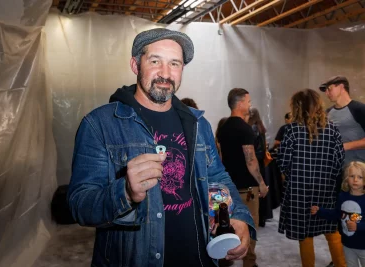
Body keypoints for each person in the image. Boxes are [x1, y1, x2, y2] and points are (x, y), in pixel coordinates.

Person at [67, 28, 255, 267]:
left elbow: (218, 177)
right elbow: (79, 204)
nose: (165, 74)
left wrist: (237, 214)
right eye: (155, 61)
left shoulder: (198, 124)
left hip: (201, 258)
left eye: (174, 64)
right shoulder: (100, 125)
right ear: (135, 65)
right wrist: (124, 191)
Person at [277, 89, 346, 267]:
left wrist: (294, 175)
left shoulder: (292, 130)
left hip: (300, 191)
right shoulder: (332, 129)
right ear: (318, 106)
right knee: (332, 231)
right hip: (326, 189)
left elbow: (283, 161)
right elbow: (339, 161)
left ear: (297, 107)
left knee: (305, 235)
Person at [218, 88, 269, 267]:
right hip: (247, 189)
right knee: (251, 225)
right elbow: (251, 160)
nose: (250, 105)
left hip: (227, 187)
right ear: (240, 104)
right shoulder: (245, 129)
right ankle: (249, 263)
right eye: (248, 101)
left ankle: (225, 260)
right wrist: (262, 183)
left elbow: (222, 158)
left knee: (226, 225)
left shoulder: (223, 127)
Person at [311, 161, 365, 267]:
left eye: (360, 177)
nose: (355, 180)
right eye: (352, 176)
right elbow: (337, 214)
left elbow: (361, 218)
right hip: (347, 244)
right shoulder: (342, 196)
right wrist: (320, 211)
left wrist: (358, 226)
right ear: (346, 178)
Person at [319, 76, 365, 165]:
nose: (327, 93)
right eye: (325, 91)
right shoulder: (327, 113)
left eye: (329, 89)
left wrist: (344, 146)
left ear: (341, 87)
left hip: (356, 170)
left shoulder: (359, 109)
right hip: (334, 169)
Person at [248, 108, 271, 228]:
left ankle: (257, 217)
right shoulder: (261, 128)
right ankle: (263, 217)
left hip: (255, 163)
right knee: (262, 190)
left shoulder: (252, 129)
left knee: (256, 191)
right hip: (261, 163)